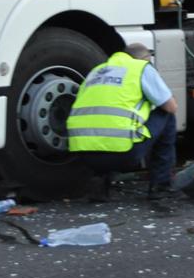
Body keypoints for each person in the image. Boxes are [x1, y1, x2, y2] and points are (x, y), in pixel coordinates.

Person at [66, 43, 179, 199]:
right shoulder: (141, 68)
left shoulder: (97, 71)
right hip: (123, 153)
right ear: (145, 59)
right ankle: (161, 186)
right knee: (167, 115)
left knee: (104, 126)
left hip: (84, 156)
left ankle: (99, 185)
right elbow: (170, 106)